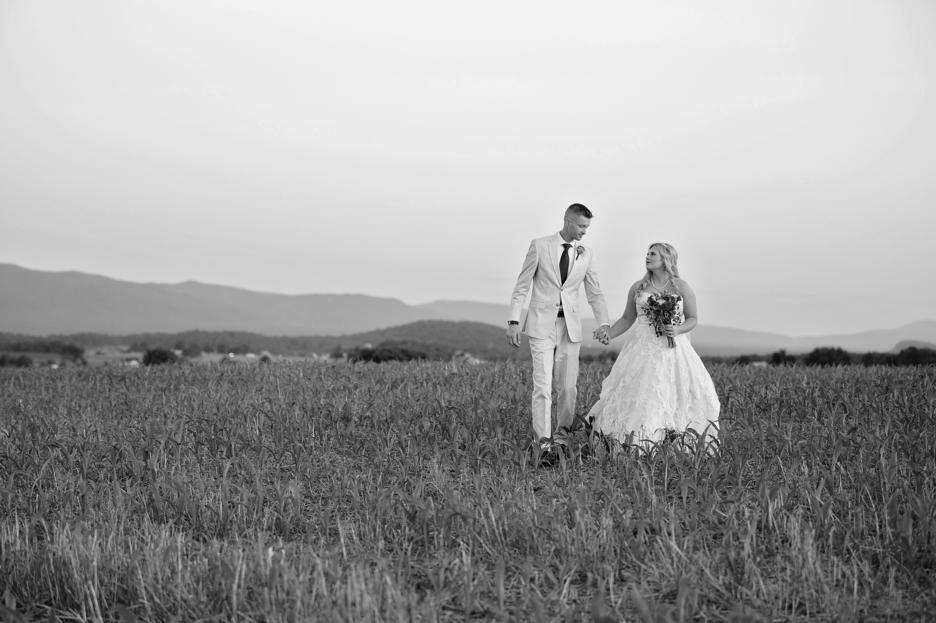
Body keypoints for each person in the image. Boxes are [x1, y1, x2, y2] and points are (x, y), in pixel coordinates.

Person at [587, 242, 720, 447]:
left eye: (652, 254)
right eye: (647, 254)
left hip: (672, 348)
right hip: (641, 347)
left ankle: (673, 436)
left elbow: (692, 318)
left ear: (665, 258)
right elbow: (626, 319)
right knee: (642, 391)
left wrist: (677, 329)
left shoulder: (682, 286)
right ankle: (631, 439)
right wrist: (608, 334)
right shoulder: (638, 287)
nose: (647, 257)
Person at [507, 204, 611, 449]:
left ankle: (562, 437)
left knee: (567, 387)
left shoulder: (587, 253)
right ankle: (543, 445)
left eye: (587, 227)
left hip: (570, 326)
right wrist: (513, 321)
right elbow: (521, 287)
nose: (585, 231)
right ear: (568, 222)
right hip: (541, 324)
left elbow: (595, 293)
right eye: (581, 226)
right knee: (542, 385)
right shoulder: (540, 245)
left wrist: (604, 323)